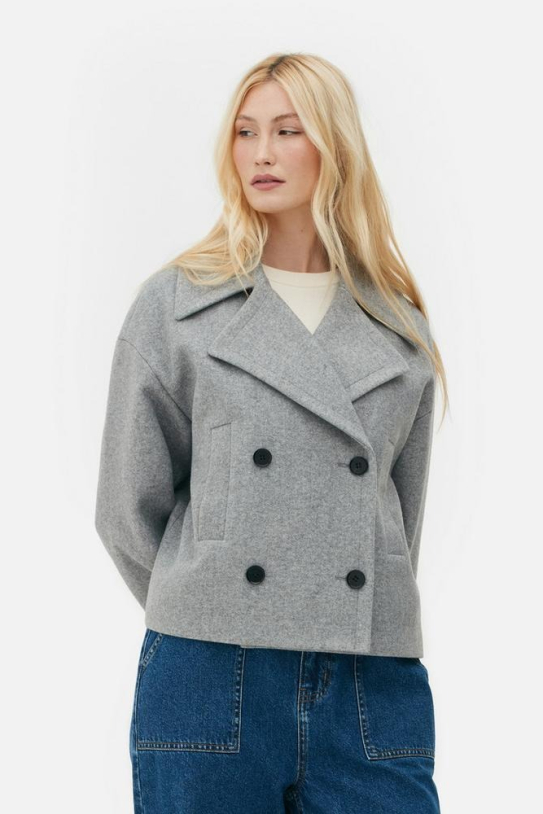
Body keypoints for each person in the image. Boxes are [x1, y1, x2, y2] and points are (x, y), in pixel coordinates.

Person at [95, 52, 448, 814]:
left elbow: (395, 522)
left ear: (334, 145)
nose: (260, 152)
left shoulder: (398, 325)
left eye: (287, 131)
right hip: (210, 674)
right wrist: (208, 598)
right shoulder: (177, 306)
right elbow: (126, 511)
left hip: (369, 677)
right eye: (245, 131)